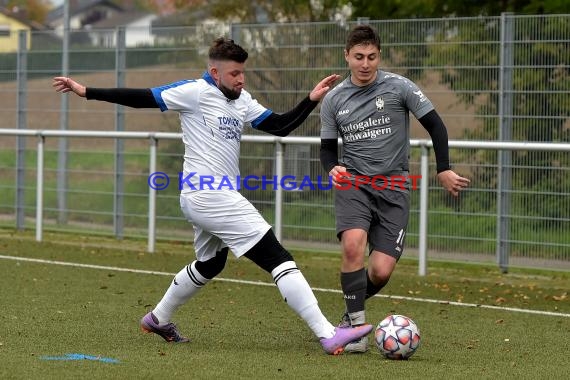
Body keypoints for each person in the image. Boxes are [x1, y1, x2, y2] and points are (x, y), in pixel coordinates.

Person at [53, 37, 373, 355]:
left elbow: (279, 126)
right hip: (209, 195)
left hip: (209, 197)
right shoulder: (195, 92)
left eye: (243, 72)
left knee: (211, 263)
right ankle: (328, 333)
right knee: (278, 258)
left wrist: (311, 99)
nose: (241, 78)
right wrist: (87, 91)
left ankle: (158, 318)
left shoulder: (242, 99)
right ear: (215, 72)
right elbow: (141, 97)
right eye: (235, 73)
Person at [319, 25, 470, 353]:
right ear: (347, 56)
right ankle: (357, 329)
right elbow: (327, 149)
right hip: (354, 183)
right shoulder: (334, 99)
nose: (365, 64)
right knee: (352, 245)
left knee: (382, 271)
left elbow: (436, 125)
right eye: (358, 57)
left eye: (371, 57)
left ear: (379, 56)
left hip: (394, 187)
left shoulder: (399, 87)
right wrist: (332, 167)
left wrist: (443, 169)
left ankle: (347, 316)